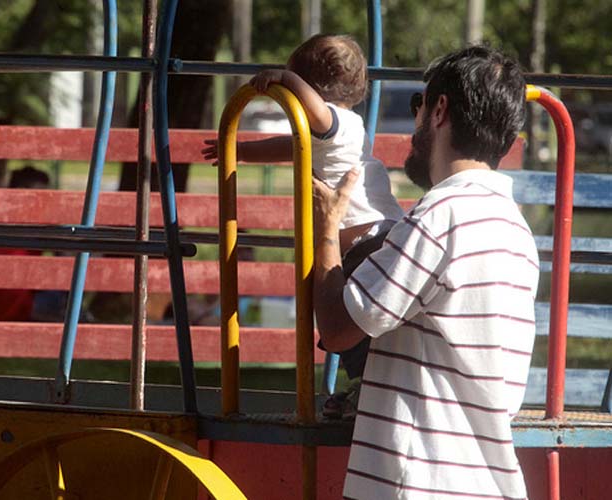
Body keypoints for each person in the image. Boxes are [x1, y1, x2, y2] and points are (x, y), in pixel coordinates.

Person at [312, 45, 538, 499]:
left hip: (419, 483)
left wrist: (326, 229)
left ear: (439, 111)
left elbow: (337, 329)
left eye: (419, 104)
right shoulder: (516, 228)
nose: (414, 121)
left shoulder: (439, 216)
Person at [202, 34, 404, 416]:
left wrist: (285, 80)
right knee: (362, 324)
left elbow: (314, 114)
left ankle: (366, 388)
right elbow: (289, 145)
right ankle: (367, 387)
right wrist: (243, 151)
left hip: (366, 242)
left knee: (355, 321)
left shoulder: (334, 121)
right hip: (370, 238)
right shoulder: (338, 129)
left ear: (312, 89)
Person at [0, 166, 68, 322]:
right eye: (40, 194)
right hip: (20, 304)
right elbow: (63, 256)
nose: (44, 200)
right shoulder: (37, 219)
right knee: (70, 279)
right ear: (21, 191)